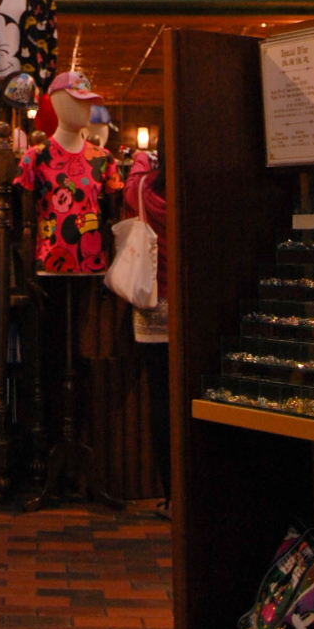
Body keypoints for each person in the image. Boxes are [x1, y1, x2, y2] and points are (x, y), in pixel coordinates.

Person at [124, 134, 170, 515]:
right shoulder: (191, 189)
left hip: (151, 302)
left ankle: (171, 494)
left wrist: (143, 154)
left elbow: (133, 176)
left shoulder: (141, 188)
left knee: (159, 398)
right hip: (186, 305)